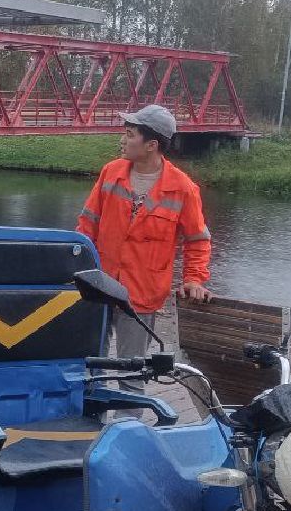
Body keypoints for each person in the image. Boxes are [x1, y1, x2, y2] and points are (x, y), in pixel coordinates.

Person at [75, 104, 212, 357]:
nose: (122, 140)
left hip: (142, 293)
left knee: (131, 375)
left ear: (152, 145)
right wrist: (78, 269)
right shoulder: (111, 172)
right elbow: (87, 225)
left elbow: (197, 241)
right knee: (90, 367)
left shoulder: (183, 188)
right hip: (99, 286)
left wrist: (193, 279)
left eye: (129, 134)